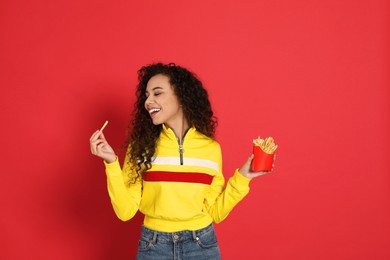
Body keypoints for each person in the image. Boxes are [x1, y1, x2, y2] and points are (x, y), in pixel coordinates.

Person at [89, 62, 274, 260]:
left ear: (181, 97)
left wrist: (243, 177)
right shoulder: (141, 147)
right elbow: (125, 211)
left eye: (157, 93)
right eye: (146, 95)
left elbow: (216, 212)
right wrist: (111, 162)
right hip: (153, 245)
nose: (148, 101)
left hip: (201, 244)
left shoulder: (210, 148)